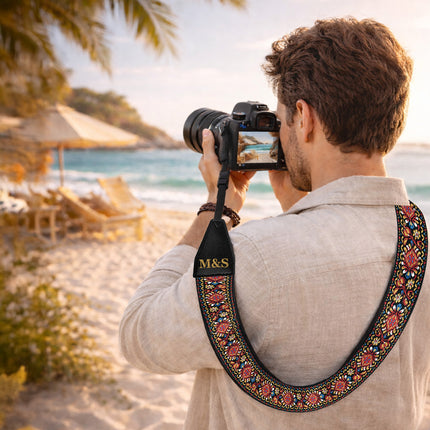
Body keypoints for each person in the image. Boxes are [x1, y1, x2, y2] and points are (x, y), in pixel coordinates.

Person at [119, 17, 430, 429]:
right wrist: (299, 205)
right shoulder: (418, 244)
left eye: (282, 121)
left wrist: (218, 208)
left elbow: (139, 335)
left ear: (304, 118)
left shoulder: (254, 255)